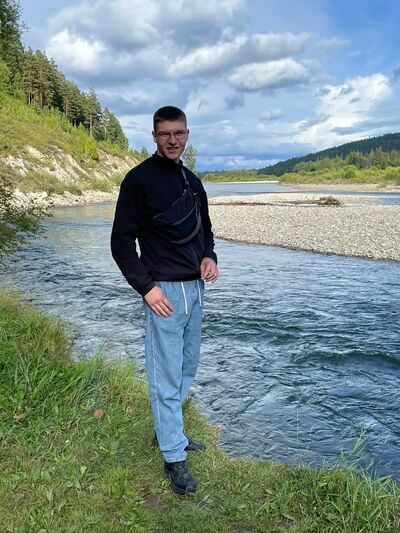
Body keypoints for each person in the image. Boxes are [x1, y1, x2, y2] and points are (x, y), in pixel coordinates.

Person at [110, 106, 218, 494]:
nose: (173, 140)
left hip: (195, 290)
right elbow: (121, 242)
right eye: (165, 134)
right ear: (154, 136)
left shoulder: (193, 181)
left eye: (179, 133)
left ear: (187, 134)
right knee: (165, 373)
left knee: (187, 367)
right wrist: (147, 288)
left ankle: (169, 431)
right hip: (164, 293)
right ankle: (173, 456)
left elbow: (206, 232)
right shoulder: (138, 180)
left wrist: (209, 257)